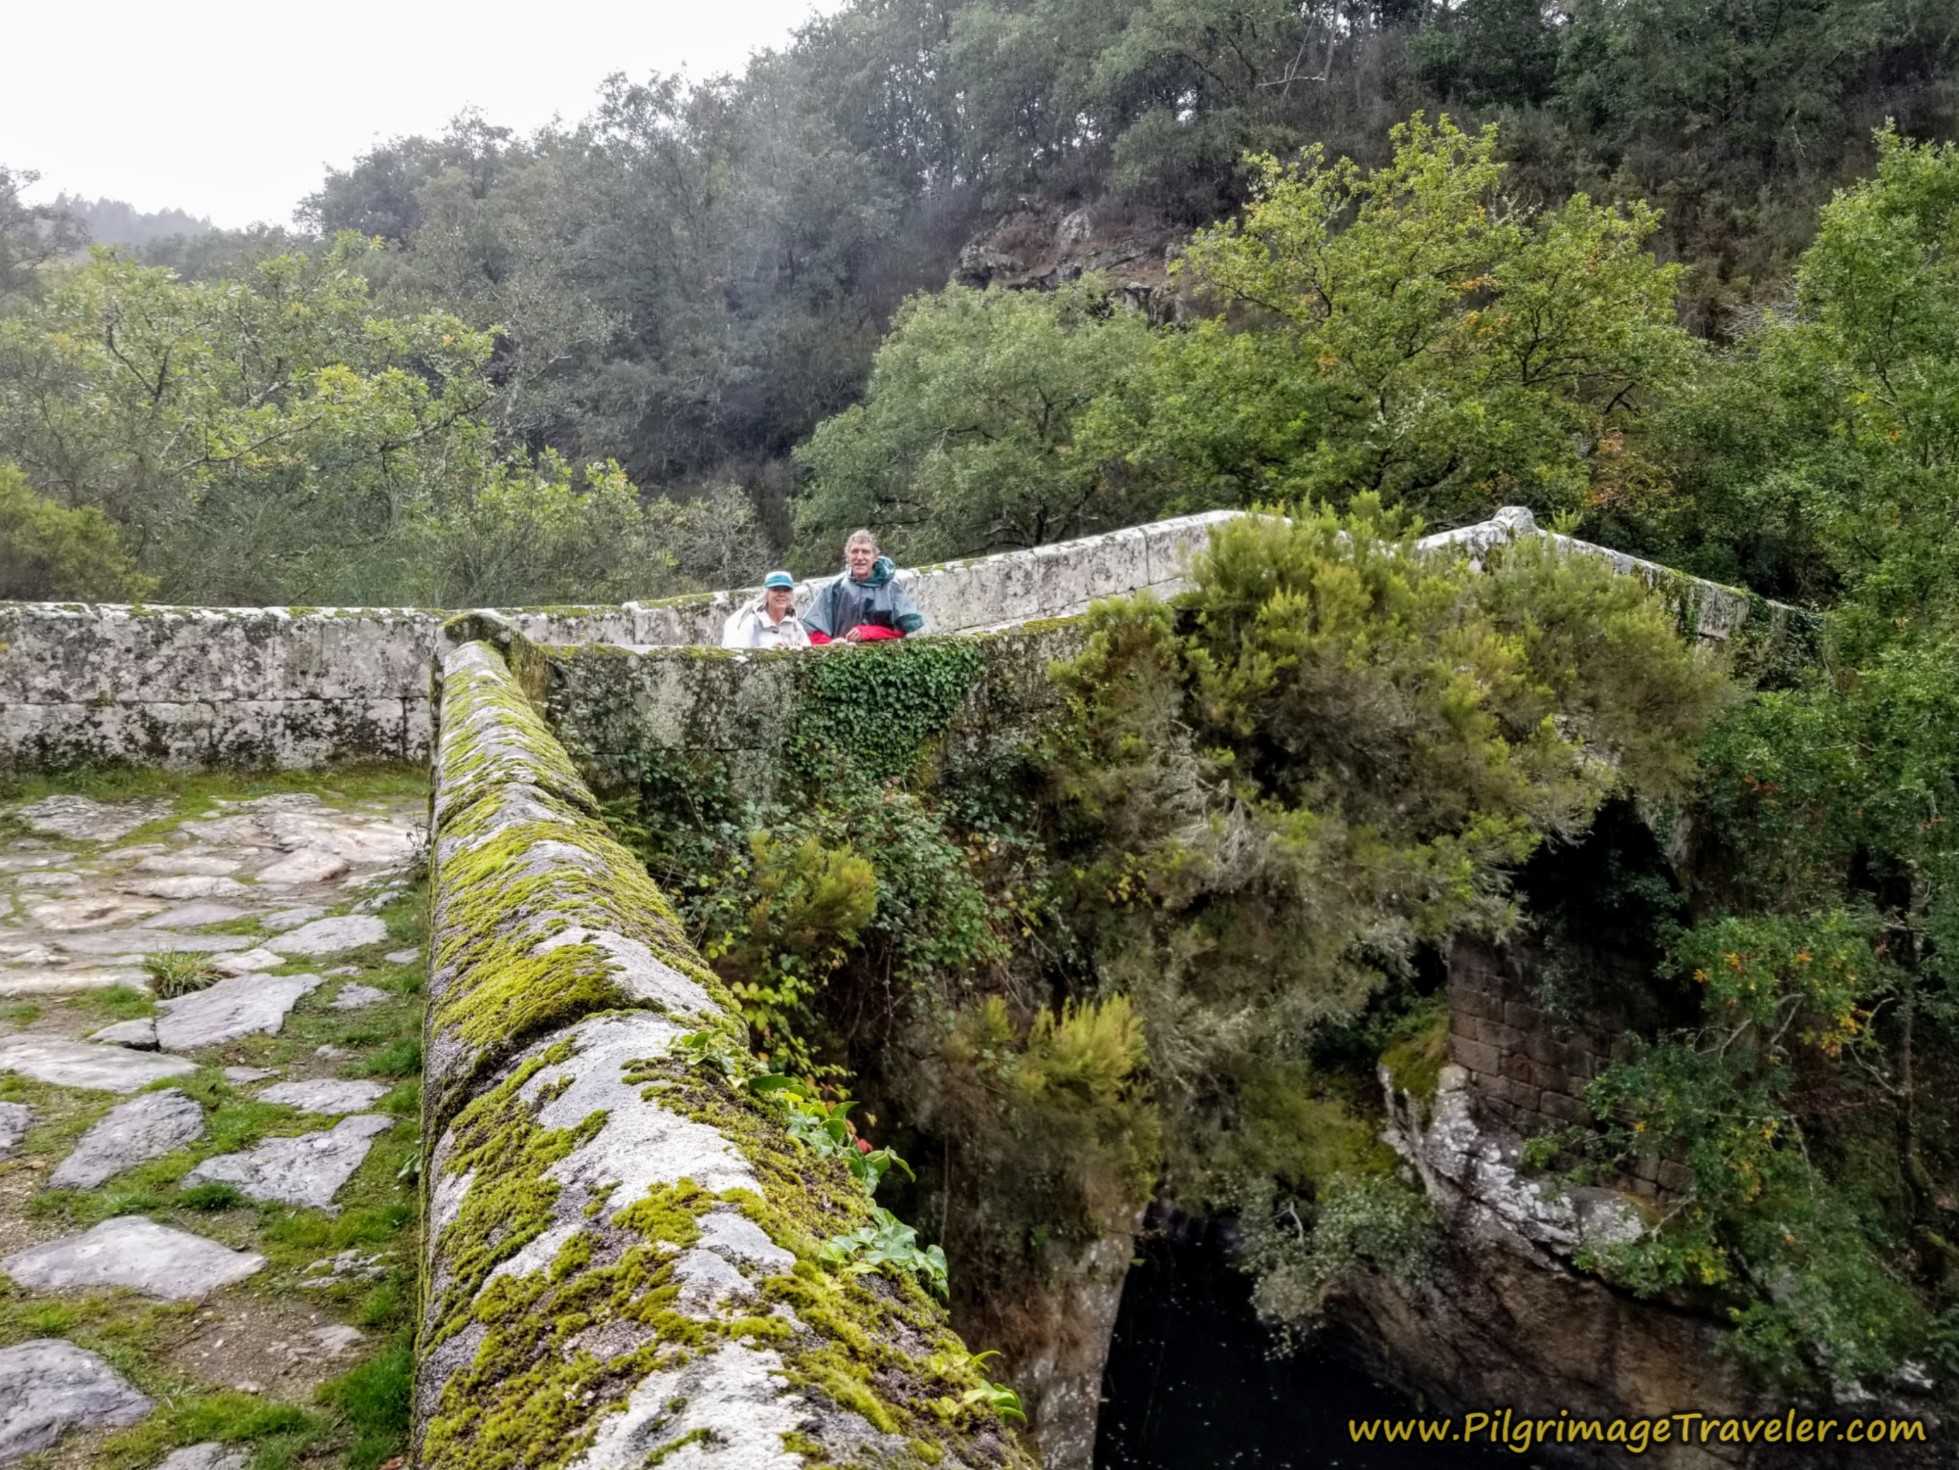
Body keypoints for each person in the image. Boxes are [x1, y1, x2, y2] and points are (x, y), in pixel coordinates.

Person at [802, 529, 925, 644]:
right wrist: (831, 644)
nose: (859, 557)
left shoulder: (890, 586)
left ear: (875, 557)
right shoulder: (835, 586)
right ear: (847, 556)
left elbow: (901, 628)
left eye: (865, 552)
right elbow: (813, 630)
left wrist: (869, 632)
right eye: (854, 551)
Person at [722, 570, 811, 650]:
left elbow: (810, 658)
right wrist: (768, 649)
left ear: (791, 595)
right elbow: (736, 654)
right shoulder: (750, 622)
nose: (781, 594)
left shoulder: (796, 626)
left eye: (786, 590)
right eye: (775, 589)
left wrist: (801, 650)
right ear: (766, 593)